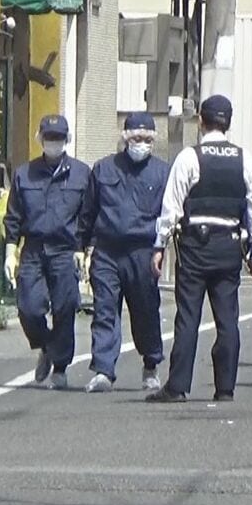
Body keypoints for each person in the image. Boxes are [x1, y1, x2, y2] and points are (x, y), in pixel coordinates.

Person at [147, 95, 252, 403]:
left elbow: (171, 207)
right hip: (229, 244)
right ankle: (225, 387)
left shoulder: (190, 157)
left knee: (188, 317)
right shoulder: (244, 159)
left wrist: (159, 244)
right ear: (229, 122)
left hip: (195, 246)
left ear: (201, 120)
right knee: (227, 318)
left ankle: (177, 386)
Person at [79, 113, 171, 393]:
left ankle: (151, 363)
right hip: (107, 250)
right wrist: (81, 247)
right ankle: (103, 370)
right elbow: (88, 210)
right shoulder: (104, 169)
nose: (140, 144)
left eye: (146, 139)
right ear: (125, 138)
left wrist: (162, 247)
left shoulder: (163, 172)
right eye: (135, 138)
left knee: (145, 310)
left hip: (143, 251)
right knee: (105, 310)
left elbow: (170, 214)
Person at [3, 114, 92, 390]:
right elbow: (13, 215)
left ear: (67, 140)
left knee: (65, 308)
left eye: (59, 138)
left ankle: (60, 367)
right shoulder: (24, 174)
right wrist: (10, 252)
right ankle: (45, 345)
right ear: (40, 139)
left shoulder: (81, 174)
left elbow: (87, 215)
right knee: (28, 307)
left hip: (66, 251)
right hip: (33, 249)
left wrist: (84, 249)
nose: (54, 142)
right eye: (49, 138)